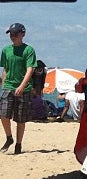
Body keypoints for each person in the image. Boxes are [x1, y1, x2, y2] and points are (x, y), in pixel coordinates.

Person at [0, 22, 37, 155]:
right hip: (8, 86)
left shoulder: (29, 50)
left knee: (20, 119)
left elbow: (30, 69)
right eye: (11, 34)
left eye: (15, 33)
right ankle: (9, 138)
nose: (12, 36)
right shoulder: (5, 50)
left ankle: (18, 144)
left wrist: (22, 85)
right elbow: (5, 68)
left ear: (23, 34)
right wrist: (3, 84)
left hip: (24, 88)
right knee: (3, 114)